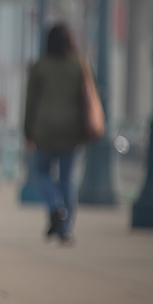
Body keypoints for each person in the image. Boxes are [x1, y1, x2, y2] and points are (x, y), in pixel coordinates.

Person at [24, 23, 95, 245]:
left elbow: (30, 103)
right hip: (71, 132)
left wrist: (27, 131)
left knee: (42, 173)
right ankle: (66, 230)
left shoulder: (39, 67)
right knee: (67, 180)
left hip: (44, 130)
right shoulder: (78, 66)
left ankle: (55, 206)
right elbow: (88, 98)